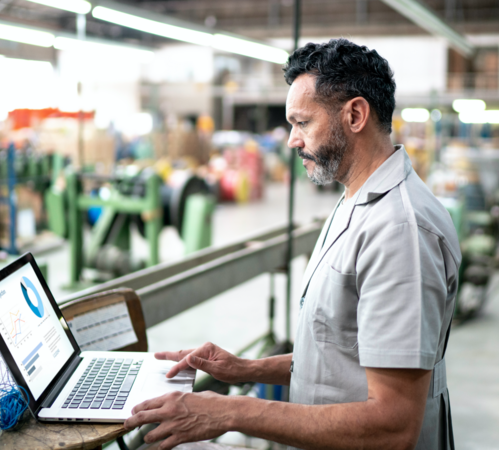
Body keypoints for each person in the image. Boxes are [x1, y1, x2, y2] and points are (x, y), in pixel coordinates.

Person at [124, 39, 461, 450]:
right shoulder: (357, 197)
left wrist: (232, 412)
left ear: (355, 114)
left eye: (302, 123)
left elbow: (393, 425)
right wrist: (247, 368)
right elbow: (343, 358)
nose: (291, 141)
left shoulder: (399, 230)